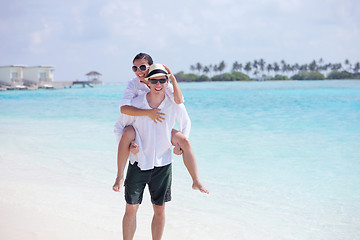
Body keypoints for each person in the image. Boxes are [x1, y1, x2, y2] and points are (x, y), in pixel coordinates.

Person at [113, 64, 196, 240]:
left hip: (163, 164)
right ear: (147, 82)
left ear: (167, 82)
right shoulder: (136, 104)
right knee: (131, 208)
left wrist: (179, 146)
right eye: (154, 80)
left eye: (162, 80)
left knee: (159, 209)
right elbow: (120, 126)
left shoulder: (173, 103)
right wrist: (129, 144)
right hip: (139, 162)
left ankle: (196, 181)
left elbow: (186, 122)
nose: (158, 84)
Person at [112, 53, 208, 194]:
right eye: (135, 68)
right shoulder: (134, 84)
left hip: (161, 129)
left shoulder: (162, 83)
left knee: (184, 141)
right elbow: (124, 109)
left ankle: (196, 181)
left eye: (142, 67)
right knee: (127, 131)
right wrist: (148, 112)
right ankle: (120, 176)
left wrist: (172, 78)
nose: (139, 71)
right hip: (139, 126)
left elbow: (179, 103)